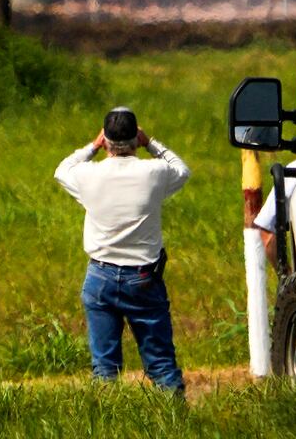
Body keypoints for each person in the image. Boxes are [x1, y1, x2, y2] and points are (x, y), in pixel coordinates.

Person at [55, 105, 190, 393]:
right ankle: (176, 422)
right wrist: (152, 142)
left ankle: (107, 424)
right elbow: (182, 169)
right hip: (143, 278)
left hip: (99, 276)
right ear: (135, 138)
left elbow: (61, 170)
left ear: (106, 140)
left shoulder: (88, 175)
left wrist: (91, 147)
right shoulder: (154, 172)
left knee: (104, 369)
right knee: (162, 365)